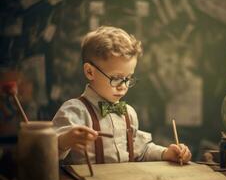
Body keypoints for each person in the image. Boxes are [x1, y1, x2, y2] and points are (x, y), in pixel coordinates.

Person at [52, 26, 192, 164]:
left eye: (128, 78)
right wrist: (64, 141)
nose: (123, 86)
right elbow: (44, 154)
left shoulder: (128, 113)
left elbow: (140, 151)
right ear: (90, 72)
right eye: (116, 78)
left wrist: (166, 153)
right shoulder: (75, 111)